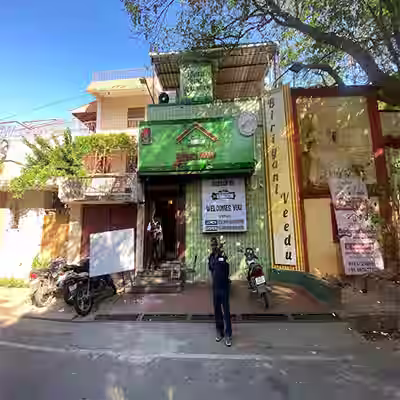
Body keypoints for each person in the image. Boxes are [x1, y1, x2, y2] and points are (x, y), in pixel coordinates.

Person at [208, 237, 232, 347]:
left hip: (224, 288)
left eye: (215, 245)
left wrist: (220, 256)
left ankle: (228, 335)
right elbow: (211, 268)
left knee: (226, 312)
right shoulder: (211, 257)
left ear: (218, 245)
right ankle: (220, 332)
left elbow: (227, 269)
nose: (213, 246)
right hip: (215, 288)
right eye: (212, 245)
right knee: (217, 311)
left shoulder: (223, 256)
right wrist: (216, 257)